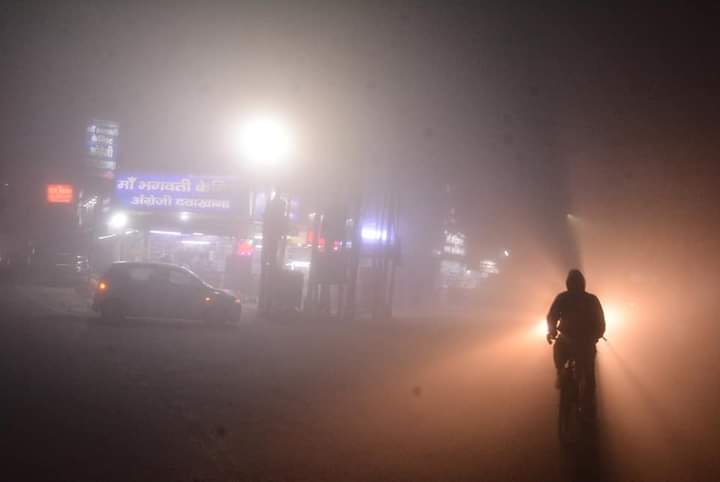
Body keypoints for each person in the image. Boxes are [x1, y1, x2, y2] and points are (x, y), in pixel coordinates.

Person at [546, 269, 605, 394]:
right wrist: (596, 336)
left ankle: (561, 375)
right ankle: (588, 398)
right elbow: (601, 322)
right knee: (589, 375)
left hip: (572, 340)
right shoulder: (591, 299)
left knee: (561, 356)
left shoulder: (562, 298)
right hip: (583, 341)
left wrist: (552, 331)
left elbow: (552, 317)